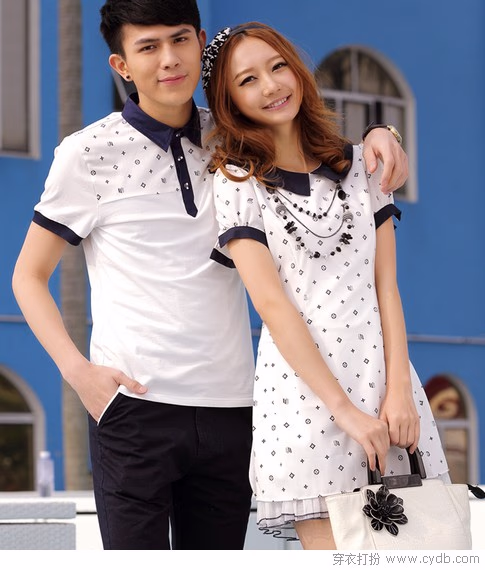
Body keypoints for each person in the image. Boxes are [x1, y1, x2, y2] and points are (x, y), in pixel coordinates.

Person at [11, 0, 409, 551]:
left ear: (201, 43)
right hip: (134, 408)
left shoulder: (236, 140)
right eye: (148, 47)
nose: (169, 59)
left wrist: (383, 131)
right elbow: (28, 276)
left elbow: (309, 140)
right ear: (121, 65)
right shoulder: (86, 153)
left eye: (180, 40)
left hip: (234, 408)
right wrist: (79, 373)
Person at [202, 22, 449, 549]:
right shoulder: (236, 182)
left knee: (414, 554)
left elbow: (386, 288)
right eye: (247, 80)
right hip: (305, 401)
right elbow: (272, 306)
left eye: (277, 67)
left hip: (386, 390)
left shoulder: (363, 166)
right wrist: (345, 413)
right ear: (230, 102)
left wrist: (400, 393)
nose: (271, 86)